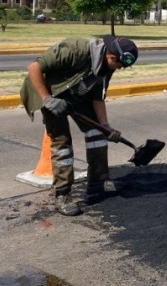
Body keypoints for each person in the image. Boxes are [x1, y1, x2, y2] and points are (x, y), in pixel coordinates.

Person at [20, 35, 139, 216]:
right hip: (49, 91)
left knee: (97, 135)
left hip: (78, 95)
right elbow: (34, 67)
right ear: (111, 56)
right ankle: (63, 194)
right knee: (62, 144)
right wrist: (48, 99)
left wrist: (106, 127)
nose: (119, 68)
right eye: (119, 65)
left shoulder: (108, 65)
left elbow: (98, 96)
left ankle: (97, 184)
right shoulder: (76, 50)